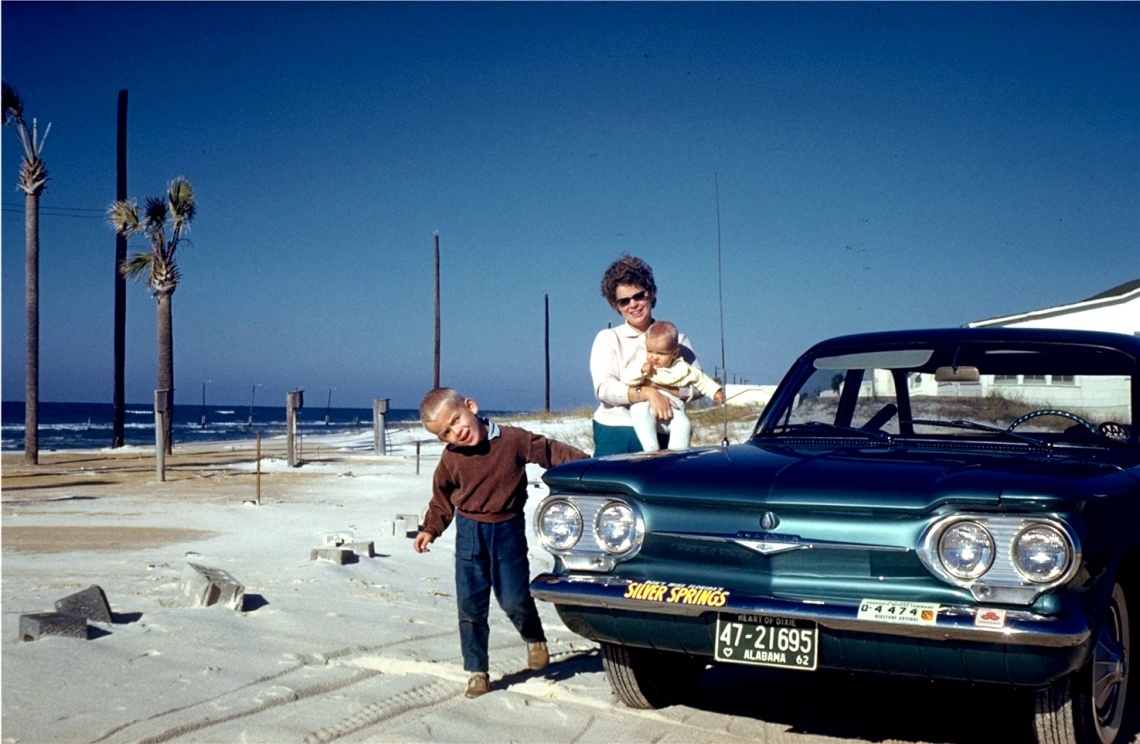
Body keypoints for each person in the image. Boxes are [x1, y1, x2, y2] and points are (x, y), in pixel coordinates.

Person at [412, 387, 589, 699]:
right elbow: (442, 499)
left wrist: (589, 466)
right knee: (470, 603)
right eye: (446, 433)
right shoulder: (451, 459)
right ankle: (476, 670)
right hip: (469, 532)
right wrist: (430, 529)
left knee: (513, 598)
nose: (456, 432)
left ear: (470, 406)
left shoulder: (513, 440)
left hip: (507, 529)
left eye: (456, 420)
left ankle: (533, 636)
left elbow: (549, 452)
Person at [590, 254, 707, 456]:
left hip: (666, 430)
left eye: (639, 296)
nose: (633, 304)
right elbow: (605, 389)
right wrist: (648, 393)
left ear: (651, 294)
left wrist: (663, 392)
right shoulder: (608, 338)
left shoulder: (678, 339)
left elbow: (697, 386)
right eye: (624, 301)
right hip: (617, 434)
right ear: (616, 306)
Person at [624, 320, 725, 451]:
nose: (654, 357)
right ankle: (650, 449)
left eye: (661, 353)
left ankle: (676, 454)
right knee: (640, 414)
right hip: (645, 403)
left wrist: (716, 392)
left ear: (675, 353)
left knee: (684, 425)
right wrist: (642, 371)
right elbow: (628, 380)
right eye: (650, 351)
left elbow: (702, 380)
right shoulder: (643, 364)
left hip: (673, 405)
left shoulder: (682, 369)